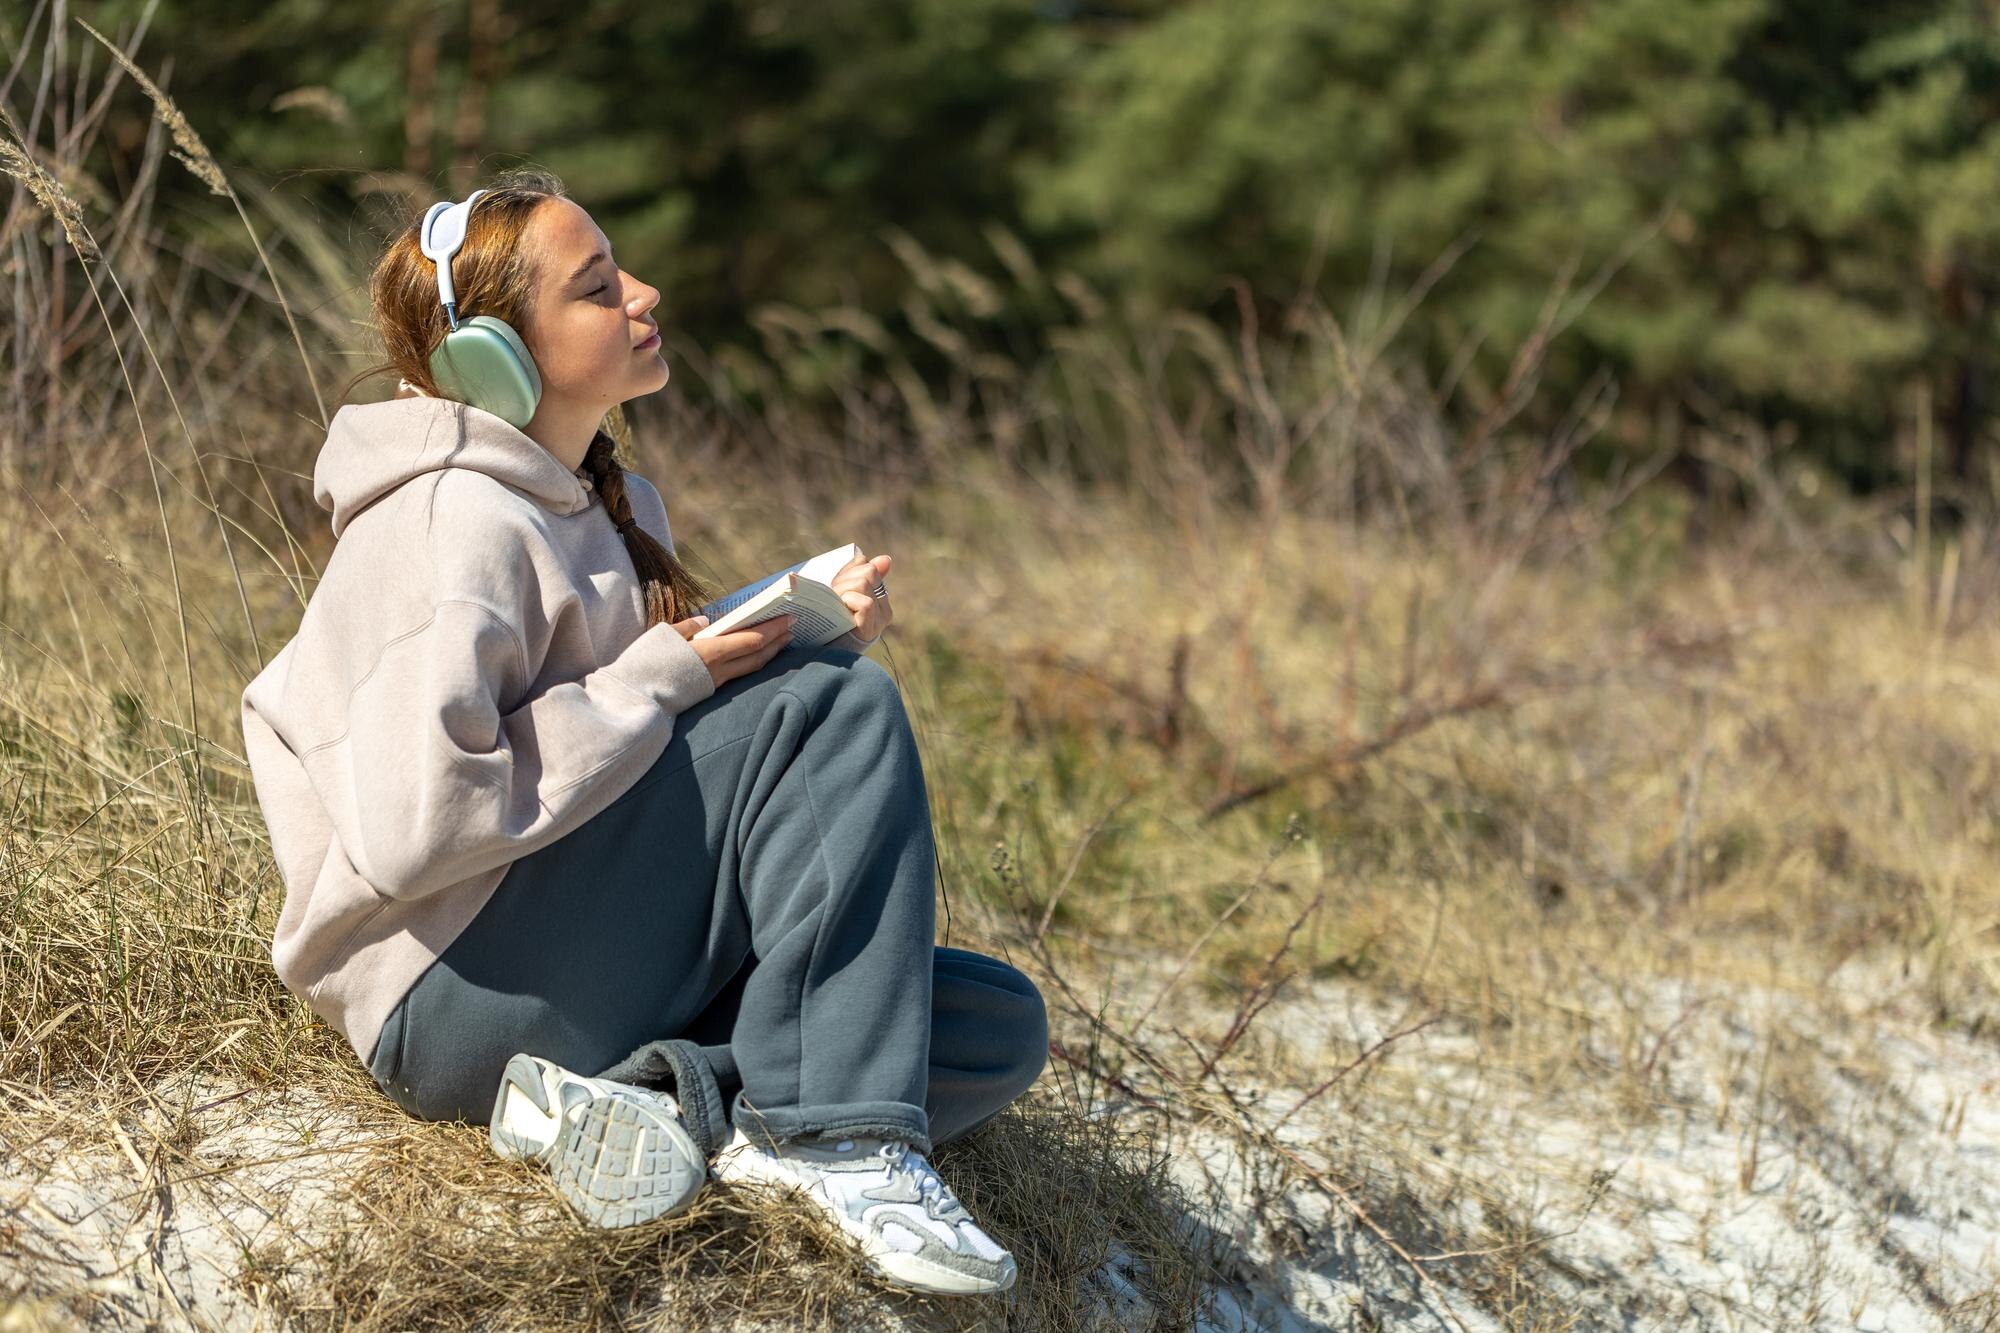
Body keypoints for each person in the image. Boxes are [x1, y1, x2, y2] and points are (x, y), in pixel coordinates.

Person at [237, 166, 1048, 1297]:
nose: (644, 294)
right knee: (841, 716)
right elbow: (417, 828)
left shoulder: (612, 505)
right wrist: (666, 682)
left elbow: (642, 747)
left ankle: (654, 1108)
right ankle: (836, 1144)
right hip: (449, 988)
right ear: (493, 356)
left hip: (565, 952)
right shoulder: (445, 521)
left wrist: (787, 644)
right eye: (598, 286)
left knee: (992, 1024)